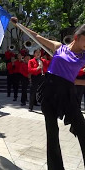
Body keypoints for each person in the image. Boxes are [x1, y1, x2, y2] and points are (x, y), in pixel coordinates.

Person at [12, 17, 85, 169]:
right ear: (77, 37)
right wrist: (18, 25)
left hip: (68, 94)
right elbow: (37, 37)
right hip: (49, 91)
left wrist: (73, 81)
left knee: (82, 129)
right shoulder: (59, 47)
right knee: (52, 133)